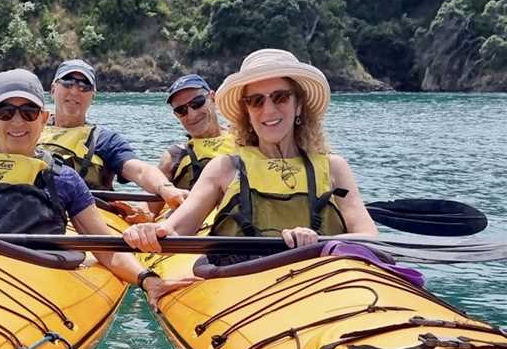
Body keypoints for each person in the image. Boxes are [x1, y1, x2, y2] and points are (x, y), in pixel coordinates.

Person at [0, 68, 194, 294]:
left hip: (28, 284)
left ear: (42, 117)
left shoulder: (64, 178)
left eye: (28, 112)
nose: (17, 122)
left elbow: (107, 249)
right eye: (6, 111)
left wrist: (148, 280)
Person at [123, 49, 378, 303]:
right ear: (246, 111)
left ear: (298, 104)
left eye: (280, 97)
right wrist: (150, 231)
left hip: (326, 287)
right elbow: (177, 227)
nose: (268, 110)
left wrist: (317, 242)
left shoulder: (334, 167)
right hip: (244, 289)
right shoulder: (225, 168)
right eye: (256, 101)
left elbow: (368, 237)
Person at [39, 59, 188, 212]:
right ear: (53, 89)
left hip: (84, 214)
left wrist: (165, 188)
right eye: (67, 83)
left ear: (93, 96)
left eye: (84, 86)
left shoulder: (105, 140)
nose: (75, 91)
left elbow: (140, 171)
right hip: (32, 208)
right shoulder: (28, 130)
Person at [157, 73, 236, 191]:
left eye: (197, 103)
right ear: (176, 116)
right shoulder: (174, 157)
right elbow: (147, 207)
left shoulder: (245, 137)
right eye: (181, 110)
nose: (192, 115)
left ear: (213, 98)